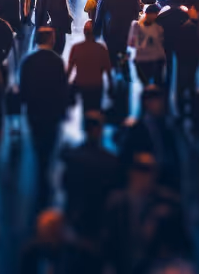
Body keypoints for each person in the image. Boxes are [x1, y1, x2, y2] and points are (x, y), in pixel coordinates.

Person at [19, 27, 70, 207]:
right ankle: (45, 172)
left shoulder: (28, 61)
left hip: (34, 110)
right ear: (50, 40)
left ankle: (41, 171)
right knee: (49, 144)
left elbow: (23, 87)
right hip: (52, 111)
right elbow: (63, 88)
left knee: (37, 141)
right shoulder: (57, 61)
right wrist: (64, 110)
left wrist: (23, 105)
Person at [61, 112, 123, 242]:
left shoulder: (73, 157)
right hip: (99, 216)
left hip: (77, 214)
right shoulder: (110, 160)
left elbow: (65, 184)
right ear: (100, 130)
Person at [129, 4, 167, 87]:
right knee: (154, 85)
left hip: (147, 59)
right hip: (151, 59)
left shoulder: (157, 27)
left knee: (148, 85)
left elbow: (131, 43)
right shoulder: (138, 26)